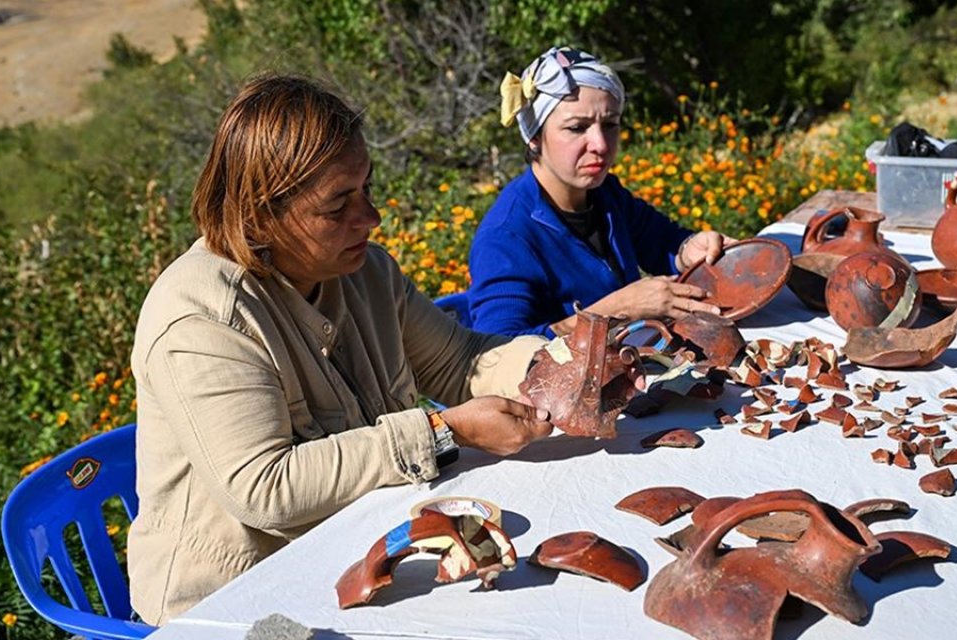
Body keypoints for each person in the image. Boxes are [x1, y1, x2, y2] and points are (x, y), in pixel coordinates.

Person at [127, 74, 553, 624]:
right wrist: (445, 431)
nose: (371, 218)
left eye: (367, 189)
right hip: (233, 604)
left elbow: (458, 361)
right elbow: (265, 488)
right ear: (260, 216)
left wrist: (556, 370)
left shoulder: (365, 273)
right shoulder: (203, 318)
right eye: (337, 206)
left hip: (352, 554)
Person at [467, 46, 734, 338]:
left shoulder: (604, 194)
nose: (601, 145)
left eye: (610, 125)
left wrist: (688, 248)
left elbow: (659, 242)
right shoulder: (506, 236)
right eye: (576, 128)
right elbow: (498, 350)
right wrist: (616, 311)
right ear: (534, 137)